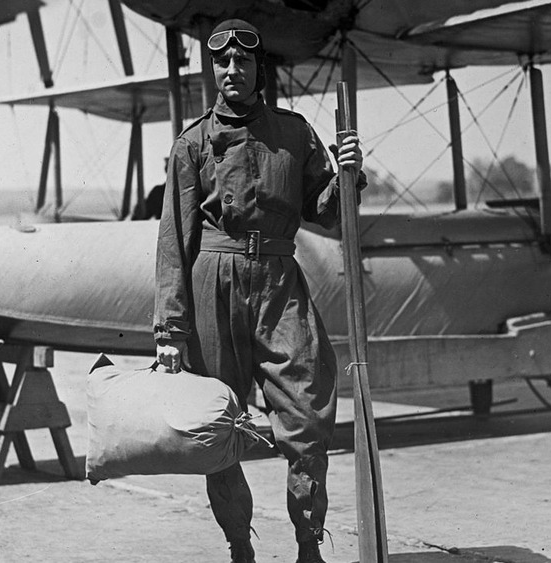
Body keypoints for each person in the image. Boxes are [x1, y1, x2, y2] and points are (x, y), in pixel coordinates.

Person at [153, 18, 364, 563]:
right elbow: (175, 241)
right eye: (222, 62)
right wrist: (170, 331)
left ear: (257, 69)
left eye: (242, 62)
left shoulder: (294, 133)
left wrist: (346, 177)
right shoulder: (191, 144)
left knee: (309, 413)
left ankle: (307, 542)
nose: (231, 70)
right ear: (213, 69)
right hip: (212, 287)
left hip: (278, 283)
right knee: (217, 425)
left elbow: (329, 214)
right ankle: (239, 547)